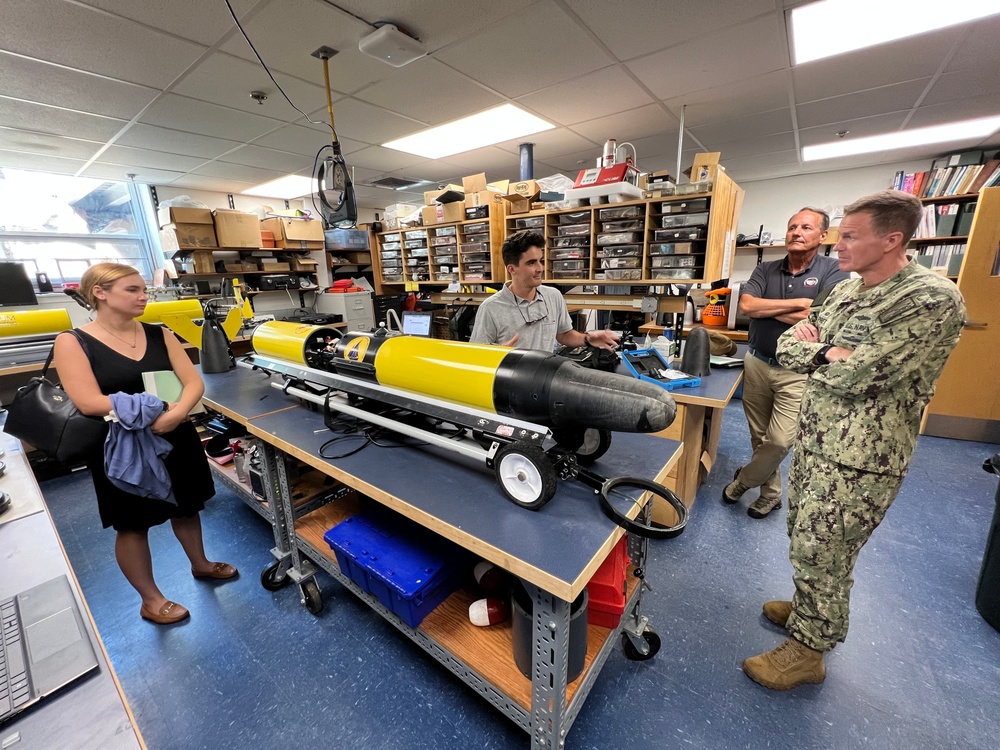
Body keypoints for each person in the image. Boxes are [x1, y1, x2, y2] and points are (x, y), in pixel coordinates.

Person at [742, 191, 965, 690]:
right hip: (817, 439)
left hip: (862, 457)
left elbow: (863, 373)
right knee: (806, 537)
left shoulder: (929, 298)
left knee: (828, 549)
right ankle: (807, 611)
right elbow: (786, 347)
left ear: (892, 240)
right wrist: (830, 353)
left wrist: (822, 354)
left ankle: (807, 652)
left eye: (849, 236)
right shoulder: (846, 290)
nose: (835, 246)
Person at [55, 263, 237, 625]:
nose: (143, 297)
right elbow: (89, 401)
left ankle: (200, 564)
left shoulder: (160, 334)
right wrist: (153, 409)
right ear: (100, 293)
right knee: (132, 523)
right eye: (133, 290)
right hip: (121, 446)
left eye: (144, 291)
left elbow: (193, 382)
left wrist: (176, 414)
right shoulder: (73, 342)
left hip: (174, 435)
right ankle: (150, 599)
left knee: (187, 507)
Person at [724, 208, 848, 519]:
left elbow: (823, 319)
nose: (796, 232)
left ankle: (743, 481)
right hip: (757, 363)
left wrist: (769, 310)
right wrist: (799, 304)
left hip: (798, 372)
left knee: (778, 440)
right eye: (792, 226)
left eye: (806, 227)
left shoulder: (835, 271)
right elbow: (748, 305)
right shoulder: (765, 269)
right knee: (759, 437)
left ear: (822, 236)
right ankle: (771, 495)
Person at [469, 229, 619, 351]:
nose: (540, 268)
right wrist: (498, 354)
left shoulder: (553, 296)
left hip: (543, 380)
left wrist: (588, 339)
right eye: (531, 263)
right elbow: (476, 356)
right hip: (508, 385)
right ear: (512, 269)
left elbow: (564, 334)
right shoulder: (490, 308)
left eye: (540, 261)